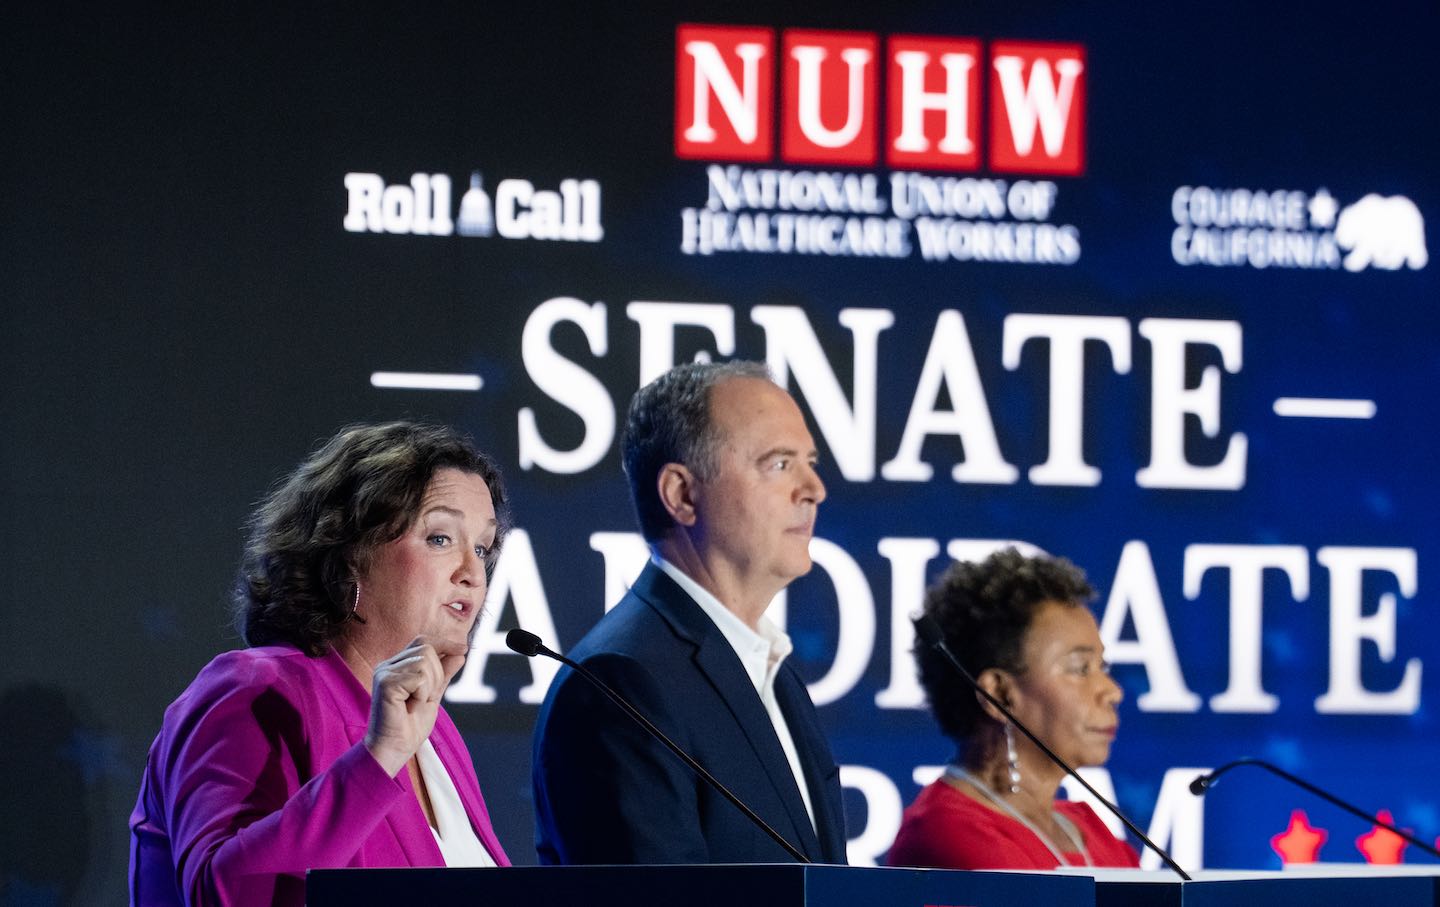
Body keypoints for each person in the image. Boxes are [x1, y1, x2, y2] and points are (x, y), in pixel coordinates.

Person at [129, 422, 512, 906]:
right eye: (440, 538)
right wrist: (378, 759)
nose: (473, 573)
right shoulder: (255, 691)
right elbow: (225, 894)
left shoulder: (438, 736)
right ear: (351, 554)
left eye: (482, 547)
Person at [531, 360, 847, 864]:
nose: (814, 489)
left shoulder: (772, 670)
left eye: (810, 462)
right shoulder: (620, 683)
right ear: (682, 494)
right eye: (780, 463)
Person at [887, 548, 1139, 870]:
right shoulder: (951, 836)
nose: (1112, 691)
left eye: (1102, 666)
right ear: (1000, 695)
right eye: (1080, 668)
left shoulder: (1091, 832)